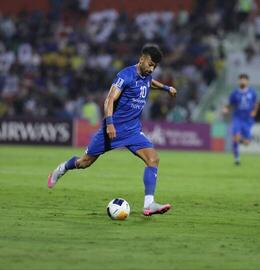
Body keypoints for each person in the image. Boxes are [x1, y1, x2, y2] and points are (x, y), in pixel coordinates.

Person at [47, 44, 177, 216]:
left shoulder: (147, 75)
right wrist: (109, 124)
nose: (152, 68)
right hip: (112, 130)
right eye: (151, 64)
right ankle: (61, 169)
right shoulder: (125, 76)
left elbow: (149, 82)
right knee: (84, 162)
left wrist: (165, 88)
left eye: (155, 66)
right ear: (142, 60)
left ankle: (149, 204)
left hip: (133, 131)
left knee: (153, 160)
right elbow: (109, 100)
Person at [223, 74, 259, 165]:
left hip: (248, 119)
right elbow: (230, 104)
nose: (242, 81)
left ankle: (240, 140)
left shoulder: (252, 92)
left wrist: (254, 111)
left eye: (244, 80)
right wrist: (226, 109)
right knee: (236, 135)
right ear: (238, 81)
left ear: (247, 82)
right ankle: (237, 158)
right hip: (237, 117)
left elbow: (256, 103)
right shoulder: (234, 93)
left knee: (247, 142)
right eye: (241, 80)